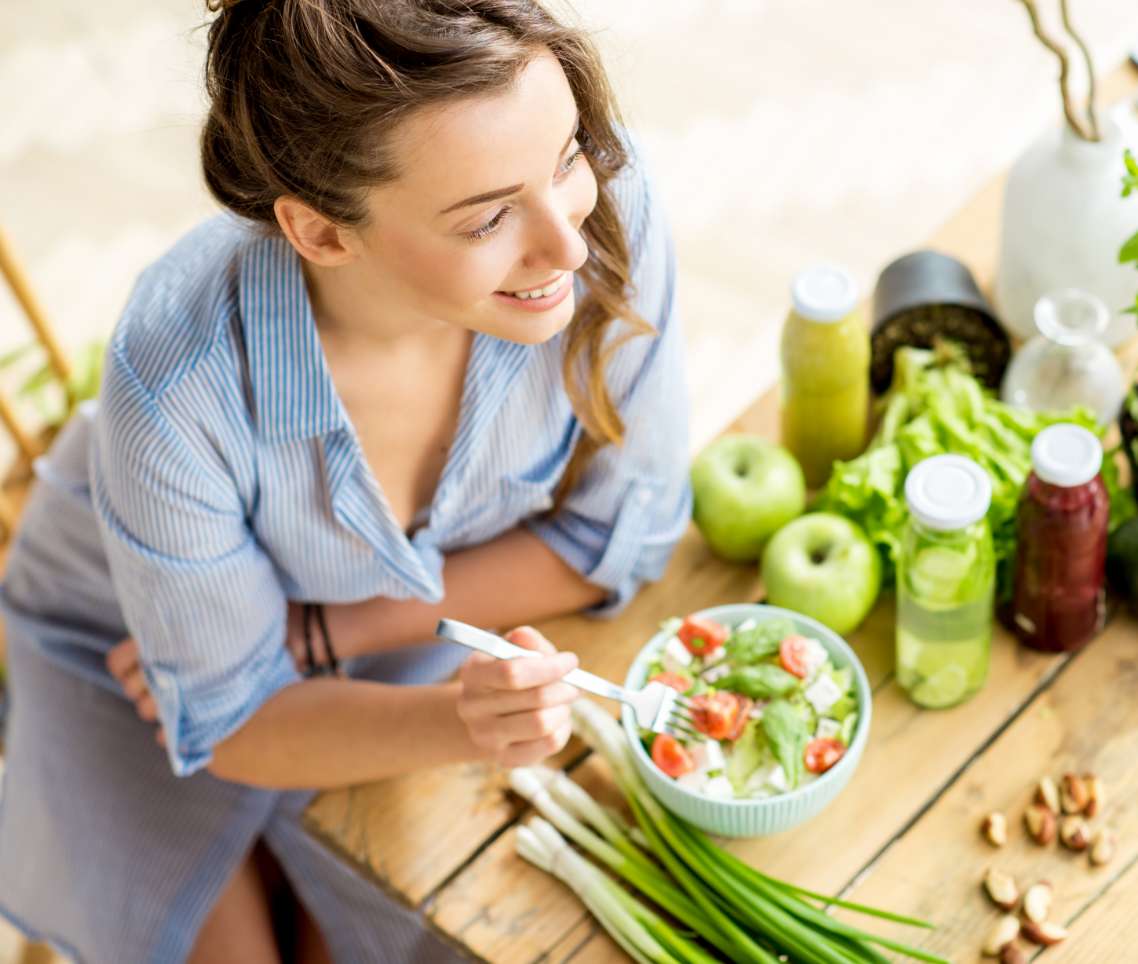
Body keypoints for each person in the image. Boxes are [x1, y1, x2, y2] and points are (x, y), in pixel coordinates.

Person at [0, 0, 690, 960]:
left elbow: (627, 529)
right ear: (321, 232)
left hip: (378, 636)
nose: (566, 245)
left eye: (568, 154)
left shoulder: (600, 219)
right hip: (125, 649)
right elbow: (238, 716)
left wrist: (334, 632)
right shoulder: (174, 379)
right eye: (489, 217)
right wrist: (464, 717)